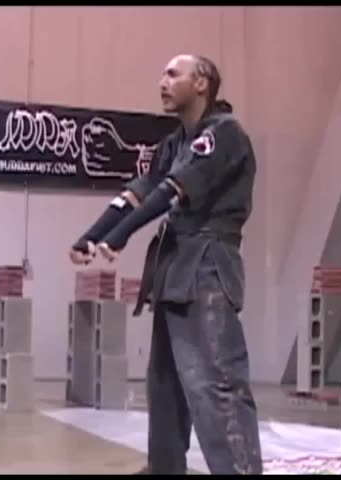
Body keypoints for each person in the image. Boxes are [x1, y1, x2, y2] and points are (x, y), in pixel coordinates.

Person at [69, 54, 263, 475]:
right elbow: (139, 192)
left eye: (173, 74)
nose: (162, 81)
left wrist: (121, 236)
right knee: (166, 384)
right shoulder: (175, 143)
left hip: (208, 265)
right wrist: (93, 234)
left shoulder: (224, 133)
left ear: (201, 82)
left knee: (215, 383)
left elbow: (173, 190)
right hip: (174, 266)